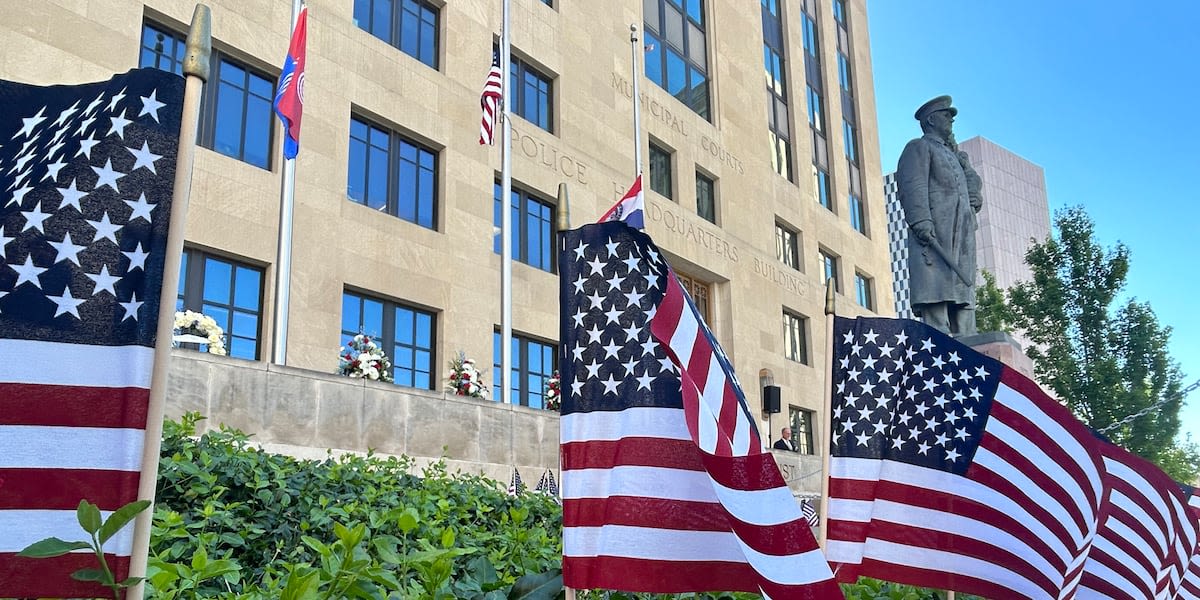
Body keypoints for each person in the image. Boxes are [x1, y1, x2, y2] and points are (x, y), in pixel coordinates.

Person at [896, 95, 983, 336]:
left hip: (961, 231)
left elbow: (972, 179)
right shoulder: (919, 147)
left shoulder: (955, 156)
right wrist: (921, 220)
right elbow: (912, 185)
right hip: (936, 233)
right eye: (946, 116)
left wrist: (975, 194)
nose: (951, 121)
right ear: (931, 120)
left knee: (962, 290)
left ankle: (968, 337)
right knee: (936, 288)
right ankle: (939, 338)